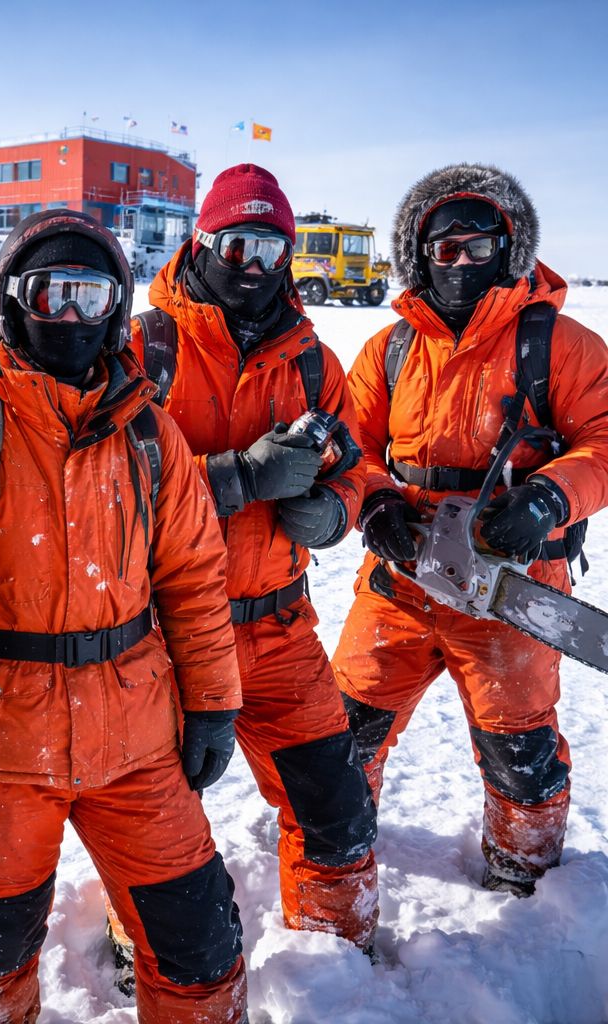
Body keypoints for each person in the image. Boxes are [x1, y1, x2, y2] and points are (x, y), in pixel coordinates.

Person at [0, 209, 248, 1024]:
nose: (71, 316)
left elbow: (193, 578)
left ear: (118, 306)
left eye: (91, 294)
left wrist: (213, 702)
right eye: (48, 293)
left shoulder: (150, 436)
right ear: (8, 300)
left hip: (138, 743)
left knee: (199, 935)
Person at [332, 162, 608, 897]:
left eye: (475, 247)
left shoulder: (560, 345)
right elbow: (348, 447)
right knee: (342, 733)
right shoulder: (389, 349)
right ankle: (336, 846)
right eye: (443, 250)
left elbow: (605, 440)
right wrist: (376, 503)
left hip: (510, 588)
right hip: (401, 579)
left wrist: (550, 496)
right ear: (420, 257)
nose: (458, 264)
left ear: (506, 249)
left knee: (520, 751)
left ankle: (526, 877)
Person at [127, 164, 380, 951]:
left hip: (279, 630)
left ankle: (337, 950)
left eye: (273, 250)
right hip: (155, 636)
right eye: (237, 244)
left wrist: (334, 508)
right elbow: (93, 491)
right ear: (201, 242)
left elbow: (360, 464)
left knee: (333, 804)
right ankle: (146, 957)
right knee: (155, 832)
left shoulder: (312, 361)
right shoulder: (140, 346)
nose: (254, 267)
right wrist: (236, 478)